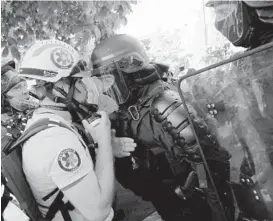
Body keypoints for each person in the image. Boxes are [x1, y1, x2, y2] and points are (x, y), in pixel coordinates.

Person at [90, 34, 234, 221]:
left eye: (110, 79)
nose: (106, 87)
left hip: (192, 204)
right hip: (166, 201)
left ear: (130, 68)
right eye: (103, 81)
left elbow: (212, 167)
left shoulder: (164, 104)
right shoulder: (128, 106)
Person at [12, 39, 135, 221]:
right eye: (79, 81)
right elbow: (98, 212)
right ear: (59, 87)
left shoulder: (51, 123)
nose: (86, 88)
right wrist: (104, 145)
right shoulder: (53, 139)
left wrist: (107, 147)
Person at [1, 57, 39, 220]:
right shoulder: (3, 131)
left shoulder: (37, 108)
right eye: (17, 87)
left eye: (24, 85)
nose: (25, 90)